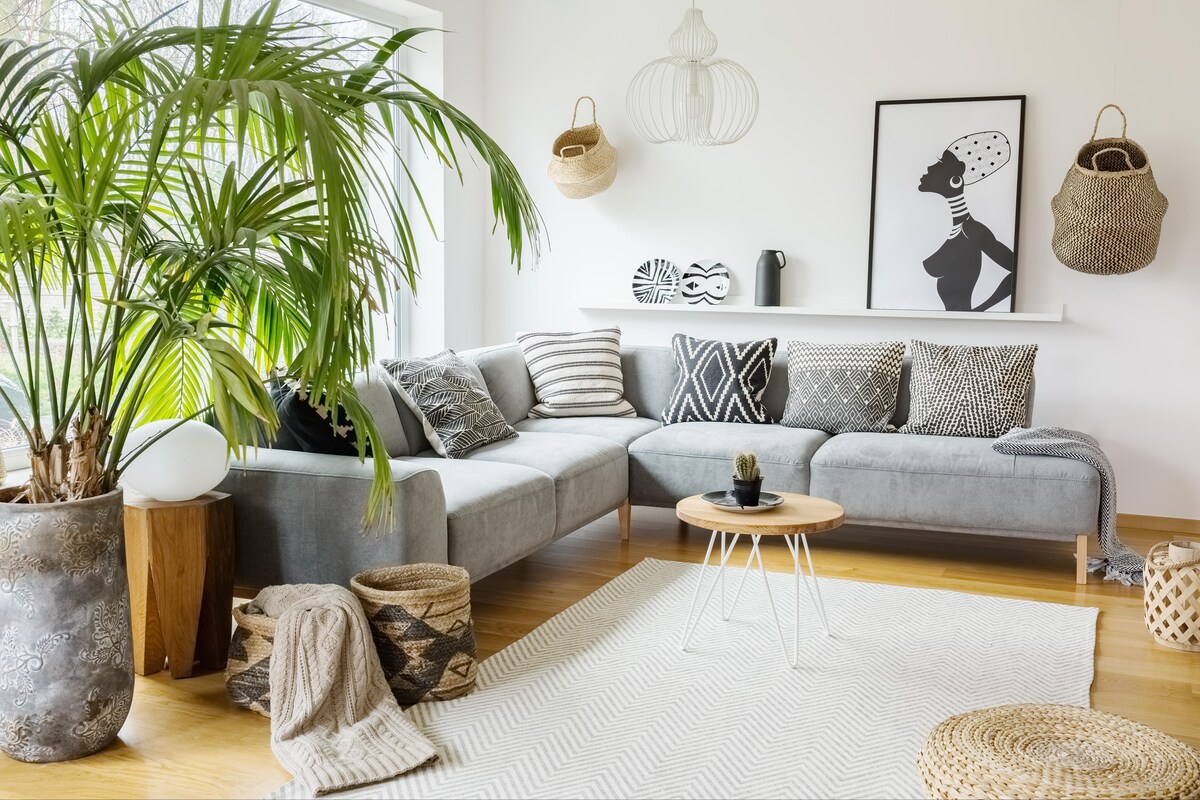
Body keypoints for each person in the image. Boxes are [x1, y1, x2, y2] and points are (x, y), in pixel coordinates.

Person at [918, 131, 1014, 312]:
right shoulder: (956, 228)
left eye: (940, 164)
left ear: (955, 181)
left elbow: (1014, 270)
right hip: (948, 328)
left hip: (963, 327)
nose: (930, 167)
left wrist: (979, 311)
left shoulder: (971, 230)